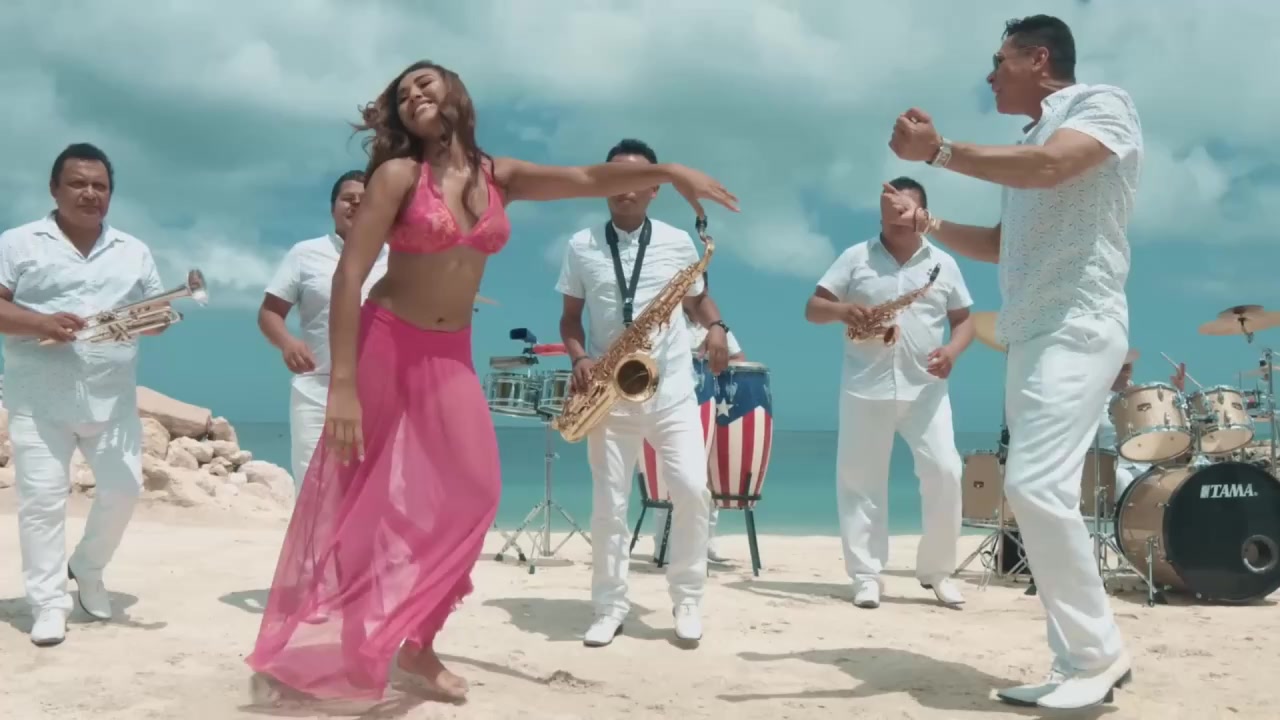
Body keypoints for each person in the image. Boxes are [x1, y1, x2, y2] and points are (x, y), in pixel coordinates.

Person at [244, 63, 737, 705]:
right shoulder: (397, 176)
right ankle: (361, 643)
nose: (414, 95)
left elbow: (587, 178)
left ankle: (416, 643)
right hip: (385, 344)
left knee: (478, 493)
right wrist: (342, 385)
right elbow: (350, 275)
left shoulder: (498, 175)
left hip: (450, 352)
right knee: (363, 498)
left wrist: (669, 172)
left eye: (425, 83)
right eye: (403, 94)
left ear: (456, 93)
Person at [886, 14, 1143, 710]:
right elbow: (1003, 244)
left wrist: (939, 153)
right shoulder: (1029, 143)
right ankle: (1076, 659)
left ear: (1039, 58)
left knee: (1034, 488)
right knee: (1035, 493)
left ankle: (1097, 655)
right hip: (1030, 335)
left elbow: (1057, 166)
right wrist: (929, 224)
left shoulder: (1101, 105)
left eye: (999, 61)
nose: (990, 75)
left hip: (1079, 322)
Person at [558, 138, 732, 649]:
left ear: (655, 189)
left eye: (636, 180)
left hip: (672, 388)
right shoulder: (581, 245)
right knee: (608, 506)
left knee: (692, 491)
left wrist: (717, 326)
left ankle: (688, 599)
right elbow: (569, 320)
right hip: (610, 393)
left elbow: (698, 301)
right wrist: (580, 358)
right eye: (614, 178)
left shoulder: (678, 242)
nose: (625, 189)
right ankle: (609, 606)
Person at [0, 142, 168, 647]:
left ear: (110, 194)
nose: (90, 193)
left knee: (124, 490)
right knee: (42, 503)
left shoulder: (134, 250)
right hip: (38, 400)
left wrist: (152, 322)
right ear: (55, 189)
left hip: (112, 400)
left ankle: (87, 567)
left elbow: (156, 313)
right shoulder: (18, 243)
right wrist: (40, 322)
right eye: (78, 183)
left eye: (100, 185)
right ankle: (48, 604)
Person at [804, 176, 973, 610]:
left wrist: (952, 351)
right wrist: (843, 310)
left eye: (902, 210)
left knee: (946, 472)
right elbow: (813, 309)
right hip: (865, 387)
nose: (894, 220)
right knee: (859, 484)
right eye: (887, 211)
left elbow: (964, 321)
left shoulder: (944, 263)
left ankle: (937, 572)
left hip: (927, 390)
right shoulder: (854, 257)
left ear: (921, 213)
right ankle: (866, 576)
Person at [259, 171, 389, 492]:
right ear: (333, 208)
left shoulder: (397, 259)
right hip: (317, 392)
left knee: (377, 492)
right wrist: (287, 343)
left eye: (365, 200)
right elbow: (269, 312)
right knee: (314, 490)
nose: (356, 205)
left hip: (382, 393)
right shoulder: (304, 253)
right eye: (348, 199)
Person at [648, 277, 745, 565]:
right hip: (668, 405)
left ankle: (706, 542)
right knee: (667, 475)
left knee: (706, 474)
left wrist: (716, 356)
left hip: (707, 405)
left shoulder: (715, 327)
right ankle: (663, 545)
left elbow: (740, 360)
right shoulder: (665, 321)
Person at [1098, 358, 1188, 499]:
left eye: (1128, 363)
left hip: (1143, 465)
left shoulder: (1141, 396)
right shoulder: (1096, 399)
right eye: (1121, 361)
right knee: (1123, 479)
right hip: (1112, 466)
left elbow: (1167, 422)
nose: (1126, 365)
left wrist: (1177, 393)